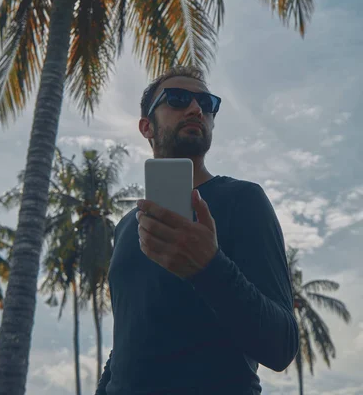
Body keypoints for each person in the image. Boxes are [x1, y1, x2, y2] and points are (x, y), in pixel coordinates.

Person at [95, 65, 299, 394]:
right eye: (177, 99)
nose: (195, 109)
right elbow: (125, 345)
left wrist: (209, 266)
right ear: (146, 126)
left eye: (206, 103)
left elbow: (281, 346)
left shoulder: (243, 200)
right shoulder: (126, 227)